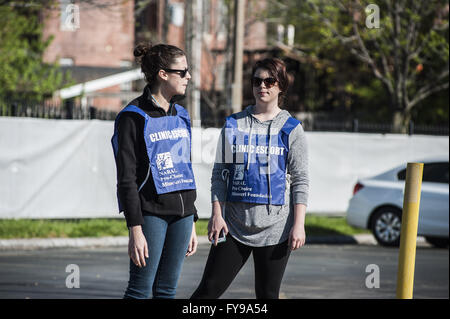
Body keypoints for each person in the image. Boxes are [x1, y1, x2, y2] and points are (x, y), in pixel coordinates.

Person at [191, 58, 309, 299]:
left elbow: (300, 179)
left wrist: (299, 224)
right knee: (207, 291)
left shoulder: (291, 128)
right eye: (257, 81)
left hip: (276, 229)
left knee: (267, 295)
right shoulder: (234, 124)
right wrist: (217, 214)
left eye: (269, 81)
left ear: (280, 86)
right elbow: (219, 174)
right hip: (233, 226)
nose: (262, 86)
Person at [111, 42, 198, 299]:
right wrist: (135, 229)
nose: (188, 76)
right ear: (163, 74)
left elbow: (186, 169)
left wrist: (191, 217)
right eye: (182, 72)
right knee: (140, 291)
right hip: (150, 215)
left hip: (182, 216)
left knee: (167, 292)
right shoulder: (132, 116)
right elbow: (126, 179)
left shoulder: (182, 114)